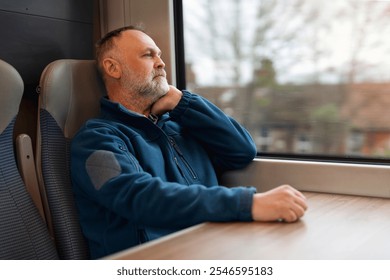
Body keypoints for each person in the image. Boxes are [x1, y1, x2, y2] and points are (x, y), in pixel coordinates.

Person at [71, 25, 308, 259]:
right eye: (148, 55)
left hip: (211, 247)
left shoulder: (178, 124)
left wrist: (182, 102)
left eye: (159, 55)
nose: (161, 63)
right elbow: (140, 198)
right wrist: (246, 204)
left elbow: (242, 150)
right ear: (113, 68)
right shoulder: (96, 140)